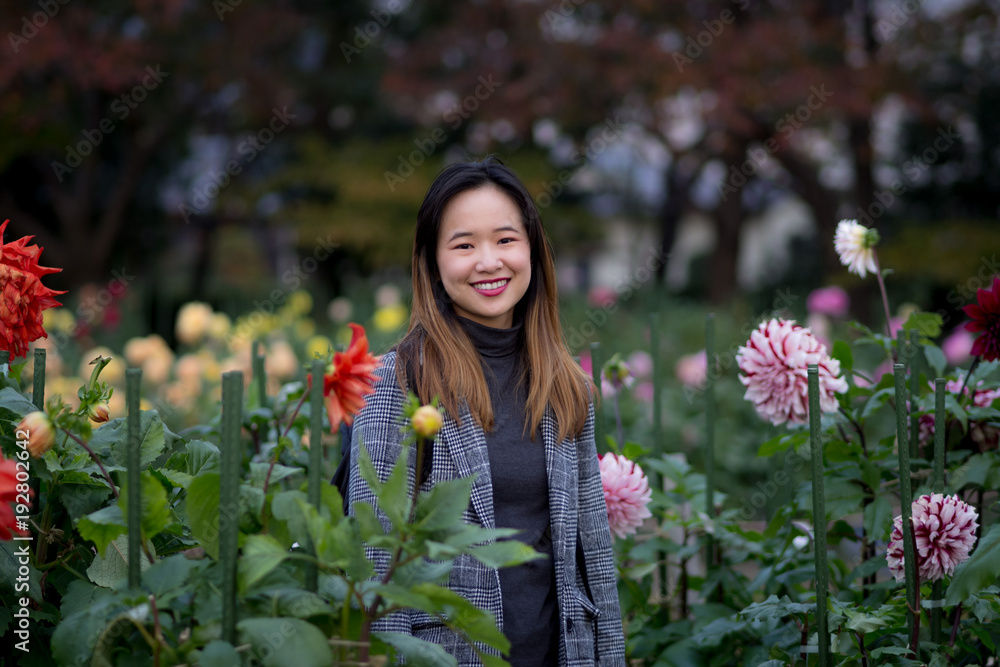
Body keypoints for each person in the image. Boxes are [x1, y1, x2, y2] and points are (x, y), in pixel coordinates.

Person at [346, 157, 626, 666]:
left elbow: (594, 559)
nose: (488, 261)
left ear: (533, 252)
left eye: (505, 239)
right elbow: (374, 561)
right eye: (464, 245)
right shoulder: (397, 382)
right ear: (432, 263)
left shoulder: (568, 386)